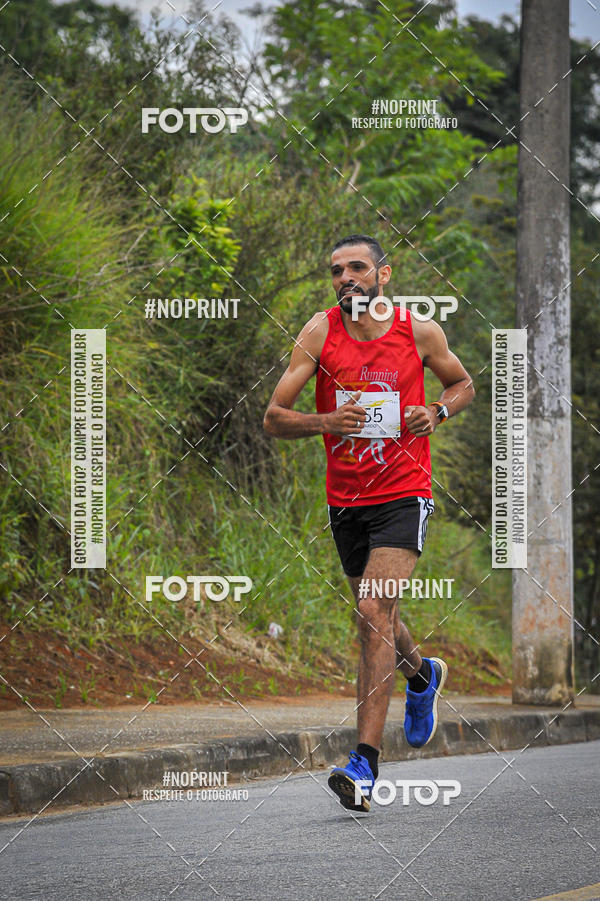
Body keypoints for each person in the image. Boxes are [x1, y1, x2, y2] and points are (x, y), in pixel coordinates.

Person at [263, 234, 475, 812]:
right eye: (336, 270)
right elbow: (274, 418)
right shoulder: (319, 331)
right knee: (379, 618)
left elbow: (464, 384)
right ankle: (422, 673)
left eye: (357, 267)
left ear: (384, 274)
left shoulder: (418, 330)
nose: (345, 278)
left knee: (372, 611)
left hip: (404, 494)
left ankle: (364, 765)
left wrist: (435, 411)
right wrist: (326, 419)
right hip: (346, 501)